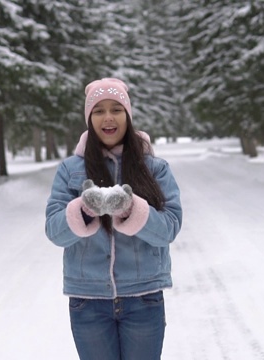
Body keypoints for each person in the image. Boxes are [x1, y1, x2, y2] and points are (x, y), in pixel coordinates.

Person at [45, 77, 182, 360]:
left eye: (116, 109)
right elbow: (54, 231)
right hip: (88, 301)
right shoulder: (70, 170)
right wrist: (84, 208)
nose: (108, 117)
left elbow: (169, 228)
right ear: (89, 118)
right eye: (99, 110)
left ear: (128, 116)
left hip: (144, 298)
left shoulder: (154, 169)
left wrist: (133, 209)